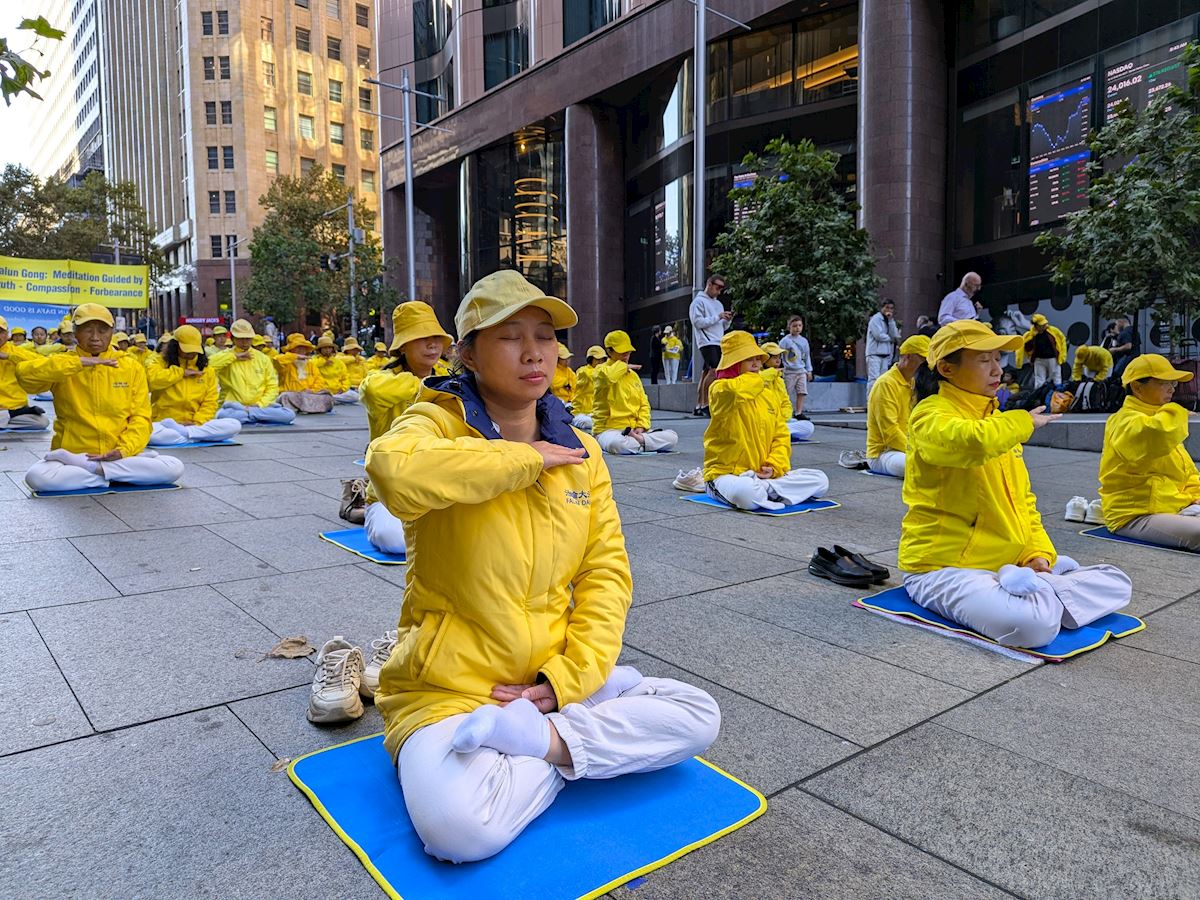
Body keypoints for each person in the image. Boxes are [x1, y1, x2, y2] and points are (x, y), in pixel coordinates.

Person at [358, 268, 719, 863]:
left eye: (546, 337)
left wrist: (564, 682)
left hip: (553, 682)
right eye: (509, 337)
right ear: (467, 355)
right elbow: (392, 471)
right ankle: (576, 748)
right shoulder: (434, 422)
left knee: (700, 717)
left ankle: (540, 742)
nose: (534, 353)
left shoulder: (583, 452)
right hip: (448, 690)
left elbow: (605, 575)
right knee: (458, 831)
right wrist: (523, 459)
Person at [899, 320, 1131, 648]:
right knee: (1034, 626)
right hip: (944, 567)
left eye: (998, 359)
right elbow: (970, 442)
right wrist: (1023, 421)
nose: (998, 370)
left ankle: (1029, 582)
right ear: (947, 369)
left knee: (1118, 582)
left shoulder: (996, 420)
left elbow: (1024, 503)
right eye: (984, 360)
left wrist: (1037, 556)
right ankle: (1036, 589)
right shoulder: (929, 414)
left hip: (1007, 559)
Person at [16, 303, 185, 492]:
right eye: (88, 330)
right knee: (37, 477)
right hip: (74, 454)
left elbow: (141, 417)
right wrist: (78, 363)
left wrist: (123, 450)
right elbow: (24, 375)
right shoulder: (64, 362)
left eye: (103, 330)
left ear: (112, 332)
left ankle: (94, 470)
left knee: (174, 467)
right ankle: (119, 474)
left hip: (119, 454)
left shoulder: (130, 366)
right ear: (75, 332)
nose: (95, 337)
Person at [356, 301, 455, 555]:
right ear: (403, 346)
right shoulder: (381, 381)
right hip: (392, 487)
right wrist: (429, 384)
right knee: (393, 540)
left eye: (436, 338)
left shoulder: (449, 376)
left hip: (439, 482)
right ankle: (364, 509)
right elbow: (371, 391)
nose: (432, 345)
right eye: (422, 338)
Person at [695, 331, 828, 511]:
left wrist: (774, 466)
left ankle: (764, 489)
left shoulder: (768, 393)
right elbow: (737, 391)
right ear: (734, 362)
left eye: (758, 358)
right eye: (749, 359)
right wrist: (762, 377)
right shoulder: (720, 389)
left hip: (763, 476)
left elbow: (781, 435)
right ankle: (765, 491)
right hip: (726, 474)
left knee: (820, 480)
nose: (757, 364)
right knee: (745, 492)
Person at [1098, 355, 1200, 552]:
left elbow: (1187, 471)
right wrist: (1176, 412)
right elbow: (1158, 433)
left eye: (1173, 383)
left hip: (1172, 506)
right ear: (1137, 387)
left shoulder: (1158, 417)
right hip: (1134, 515)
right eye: (1165, 383)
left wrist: (1196, 495)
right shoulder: (1124, 421)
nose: (1172, 389)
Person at [145, 325, 243, 446]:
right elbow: (152, 381)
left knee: (234, 425)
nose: (191, 353)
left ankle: (185, 434)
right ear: (175, 346)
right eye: (186, 350)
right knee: (151, 434)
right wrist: (181, 373)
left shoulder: (206, 369)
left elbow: (210, 401)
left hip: (195, 424)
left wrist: (197, 422)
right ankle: (195, 436)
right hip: (164, 423)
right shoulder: (159, 362)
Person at [592, 329, 679, 454]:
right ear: (609, 351)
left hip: (634, 431)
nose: (626, 355)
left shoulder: (633, 376)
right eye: (621, 352)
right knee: (616, 444)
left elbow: (644, 403)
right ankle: (644, 443)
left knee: (672, 437)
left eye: (628, 352)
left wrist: (641, 426)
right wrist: (624, 366)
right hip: (609, 430)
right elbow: (610, 376)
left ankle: (639, 442)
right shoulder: (600, 370)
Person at [864, 335, 929, 477]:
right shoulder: (886, 384)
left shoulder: (913, 383)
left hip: (908, 447)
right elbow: (890, 433)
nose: (927, 366)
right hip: (883, 453)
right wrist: (918, 451)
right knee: (921, 466)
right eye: (924, 361)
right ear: (908, 357)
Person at [211, 319, 295, 425]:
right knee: (224, 415)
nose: (244, 342)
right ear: (233, 339)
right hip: (234, 406)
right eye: (240, 339)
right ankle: (259, 417)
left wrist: (259, 404)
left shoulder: (263, 358)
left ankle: (250, 415)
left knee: (289, 415)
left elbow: (272, 386)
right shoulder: (226, 355)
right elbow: (209, 366)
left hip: (259, 406)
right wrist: (234, 357)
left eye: (248, 338)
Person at [688, 274, 732, 417]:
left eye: (721, 289)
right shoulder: (698, 302)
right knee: (714, 371)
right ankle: (705, 404)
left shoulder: (718, 304)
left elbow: (721, 326)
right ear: (709, 284)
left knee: (706, 373)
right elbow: (697, 322)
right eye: (717, 287)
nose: (719, 291)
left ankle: (699, 405)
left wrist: (727, 320)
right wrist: (718, 317)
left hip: (718, 340)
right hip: (707, 341)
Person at [0, 317, 49, 430]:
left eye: (0, 332)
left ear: (7, 334)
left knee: (41, 422)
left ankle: (6, 417)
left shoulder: (15, 351)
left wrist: (9, 357)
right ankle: (5, 418)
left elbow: (44, 363)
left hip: (14, 407)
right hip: (10, 411)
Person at [760, 341, 813, 441]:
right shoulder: (756, 376)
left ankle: (777, 432)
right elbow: (759, 381)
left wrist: (783, 418)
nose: (778, 361)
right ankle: (778, 432)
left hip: (779, 420)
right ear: (764, 359)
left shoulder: (779, 380)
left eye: (779, 357)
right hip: (764, 421)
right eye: (774, 357)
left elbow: (786, 403)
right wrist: (772, 372)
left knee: (808, 427)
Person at [273, 333, 334, 414]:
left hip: (309, 395)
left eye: (304, 348)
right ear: (291, 349)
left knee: (327, 397)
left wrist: (311, 390)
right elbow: (276, 360)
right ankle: (305, 408)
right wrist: (295, 356)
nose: (301, 350)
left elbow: (319, 381)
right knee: (285, 397)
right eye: (298, 347)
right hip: (292, 395)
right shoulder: (286, 362)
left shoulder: (310, 364)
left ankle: (301, 408)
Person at [1017, 314, 1066, 389]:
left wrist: (1062, 356)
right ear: (1036, 326)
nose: (1044, 326)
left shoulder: (1053, 331)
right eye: (1041, 325)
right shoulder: (1030, 335)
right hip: (1038, 360)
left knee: (1056, 377)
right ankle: (1039, 393)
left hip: (1052, 358)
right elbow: (1022, 348)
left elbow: (1062, 340)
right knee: (1039, 379)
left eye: (1044, 324)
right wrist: (1021, 361)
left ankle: (1058, 393)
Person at [778, 316, 813, 421]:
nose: (797, 328)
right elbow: (779, 355)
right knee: (786, 392)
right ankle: (784, 411)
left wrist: (809, 370)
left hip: (801, 370)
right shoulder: (785, 341)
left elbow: (807, 356)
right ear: (789, 327)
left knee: (802, 391)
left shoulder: (804, 341)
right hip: (789, 371)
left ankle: (798, 412)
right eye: (794, 326)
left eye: (799, 325)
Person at [865, 299, 902, 396]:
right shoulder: (875, 319)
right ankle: (870, 400)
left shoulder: (890, 321)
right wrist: (891, 339)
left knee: (882, 380)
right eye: (887, 307)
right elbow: (878, 335)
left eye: (891, 308)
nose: (889, 310)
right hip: (874, 354)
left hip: (885, 354)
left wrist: (891, 321)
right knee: (874, 379)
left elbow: (895, 334)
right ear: (882, 308)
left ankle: (879, 400)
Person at [311, 336, 359, 404]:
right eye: (325, 348)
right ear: (320, 349)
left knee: (355, 396)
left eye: (329, 347)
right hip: (322, 391)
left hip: (337, 392)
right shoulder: (314, 360)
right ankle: (332, 400)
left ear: (332, 349)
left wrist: (343, 388)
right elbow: (311, 367)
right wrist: (323, 362)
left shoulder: (338, 362)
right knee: (313, 395)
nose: (327, 350)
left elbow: (345, 377)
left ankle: (330, 399)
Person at [569, 345, 604, 432]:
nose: (600, 362)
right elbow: (595, 376)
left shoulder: (603, 372)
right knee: (591, 423)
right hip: (580, 413)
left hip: (594, 413)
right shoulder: (583, 371)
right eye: (597, 360)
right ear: (590, 359)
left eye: (602, 360)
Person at [1110, 316, 1140, 381]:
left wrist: (1114, 349)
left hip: (1126, 359)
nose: (1116, 326)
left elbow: (1128, 346)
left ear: (1121, 321)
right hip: (1135, 358)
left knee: (1116, 375)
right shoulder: (1134, 331)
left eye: (1117, 324)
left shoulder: (1125, 333)